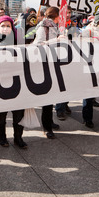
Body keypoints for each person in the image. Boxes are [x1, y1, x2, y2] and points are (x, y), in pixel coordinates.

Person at [0, 15, 28, 149]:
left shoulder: (20, 42)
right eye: (3, 26)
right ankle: (2, 137)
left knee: (19, 114)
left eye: (8, 25)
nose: (6, 28)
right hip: (0, 84)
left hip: (18, 82)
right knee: (1, 114)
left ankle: (18, 137)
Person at [33, 7, 64, 138]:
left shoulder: (53, 26)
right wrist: (56, 40)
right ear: (56, 16)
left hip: (52, 62)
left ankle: (50, 122)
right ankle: (46, 127)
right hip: (44, 63)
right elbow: (39, 44)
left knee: (52, 96)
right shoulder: (44, 26)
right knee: (47, 98)